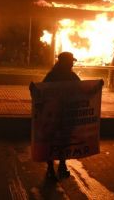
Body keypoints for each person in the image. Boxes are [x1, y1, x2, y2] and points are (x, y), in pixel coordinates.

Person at [42, 51, 81, 180]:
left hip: (57, 114)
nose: (72, 64)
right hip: (62, 114)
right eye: (71, 62)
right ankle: (58, 167)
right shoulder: (71, 77)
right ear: (65, 62)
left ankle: (54, 168)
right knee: (62, 140)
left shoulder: (52, 76)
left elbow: (41, 90)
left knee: (54, 140)